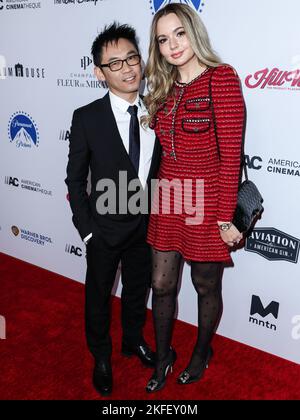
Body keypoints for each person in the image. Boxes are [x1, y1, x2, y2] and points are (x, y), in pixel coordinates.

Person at [142, 4, 245, 392]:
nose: (172, 46)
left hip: (208, 204)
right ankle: (164, 355)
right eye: (163, 39)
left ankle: (201, 353)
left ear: (193, 31)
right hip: (169, 199)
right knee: (161, 284)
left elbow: (231, 155)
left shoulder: (222, 79)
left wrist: (223, 219)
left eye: (179, 34)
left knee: (206, 286)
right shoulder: (163, 86)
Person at [65, 23, 161, 396]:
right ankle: (101, 355)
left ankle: (132, 339)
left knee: (138, 289)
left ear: (141, 59)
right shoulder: (86, 117)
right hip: (103, 228)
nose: (127, 68)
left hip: (145, 225)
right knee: (99, 294)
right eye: (115, 63)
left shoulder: (157, 108)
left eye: (132, 58)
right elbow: (75, 180)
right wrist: (87, 229)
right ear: (99, 72)